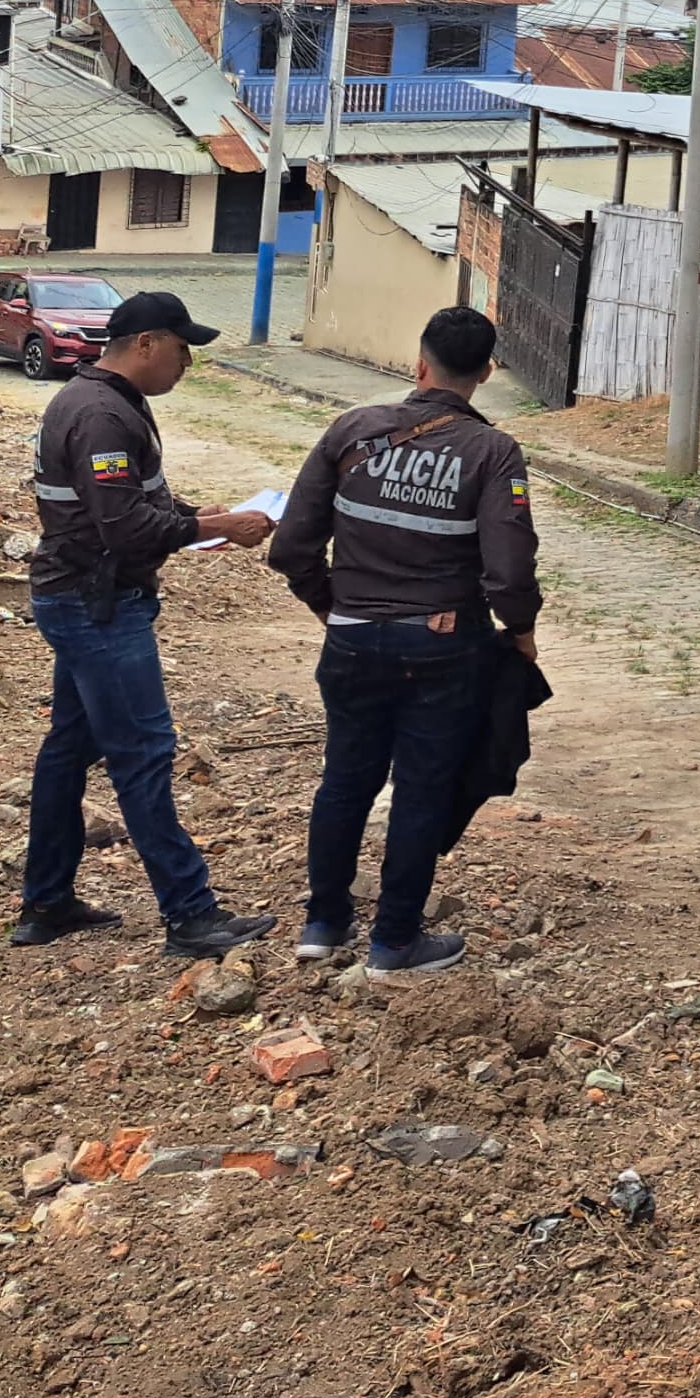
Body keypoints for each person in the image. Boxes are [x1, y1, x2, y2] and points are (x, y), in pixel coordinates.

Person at [268, 303, 539, 973]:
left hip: (352, 642)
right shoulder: (493, 452)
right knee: (422, 789)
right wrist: (522, 632)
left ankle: (323, 924)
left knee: (343, 783)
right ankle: (394, 941)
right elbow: (508, 571)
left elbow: (293, 547)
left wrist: (336, 610)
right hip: (445, 649)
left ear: (419, 364)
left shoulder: (351, 430)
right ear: (486, 373)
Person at [13, 292, 283, 957]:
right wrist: (215, 526)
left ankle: (46, 903)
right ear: (146, 345)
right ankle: (191, 915)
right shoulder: (103, 414)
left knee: (70, 751)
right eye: (182, 349)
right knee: (141, 752)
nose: (187, 363)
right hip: (96, 605)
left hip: (79, 596)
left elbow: (129, 501)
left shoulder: (100, 402)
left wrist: (196, 515)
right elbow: (124, 525)